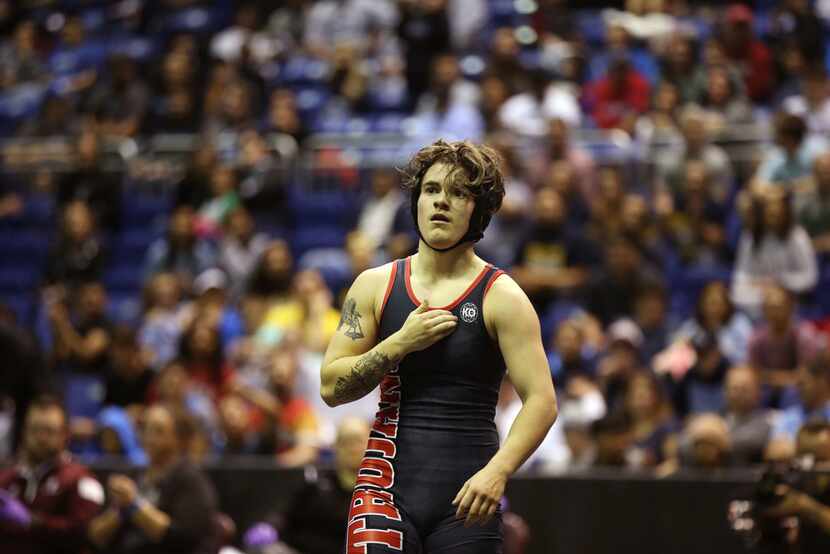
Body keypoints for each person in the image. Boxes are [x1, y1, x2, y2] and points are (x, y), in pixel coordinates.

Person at [320, 140, 558, 552]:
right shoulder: (375, 286)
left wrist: (498, 472)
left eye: (458, 192)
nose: (440, 202)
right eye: (431, 190)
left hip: (468, 498)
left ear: (479, 210)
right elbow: (331, 387)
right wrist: (399, 343)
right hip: (385, 489)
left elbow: (542, 402)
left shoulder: (502, 297)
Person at [87, 403, 219, 554]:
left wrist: (134, 505)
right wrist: (119, 509)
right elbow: (95, 536)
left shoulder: (191, 479)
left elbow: (181, 538)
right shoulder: (133, 475)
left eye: (158, 431)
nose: (148, 438)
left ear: (178, 438)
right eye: (145, 429)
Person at [0, 395, 105, 554]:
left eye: (49, 431)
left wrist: (33, 522)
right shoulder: (7, 478)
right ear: (24, 432)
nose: (41, 438)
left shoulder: (82, 480)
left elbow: (85, 533)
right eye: (35, 429)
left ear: (65, 434)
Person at [280, 416, 370, 553]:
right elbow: (284, 517)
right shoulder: (314, 482)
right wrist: (269, 526)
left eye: (358, 441)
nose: (353, 448)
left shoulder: (381, 489)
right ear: (336, 446)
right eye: (346, 441)